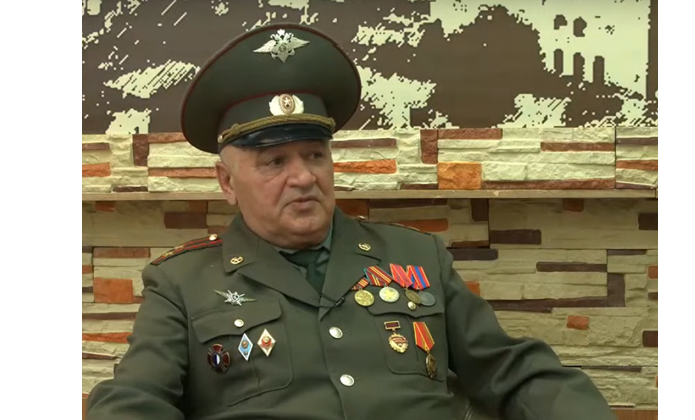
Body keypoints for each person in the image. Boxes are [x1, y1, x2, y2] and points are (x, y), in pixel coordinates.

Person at [84, 23, 616, 420]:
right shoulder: (182, 283)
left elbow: (510, 369)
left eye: (314, 155)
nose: (303, 177)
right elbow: (132, 400)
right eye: (274, 161)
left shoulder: (416, 258)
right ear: (227, 183)